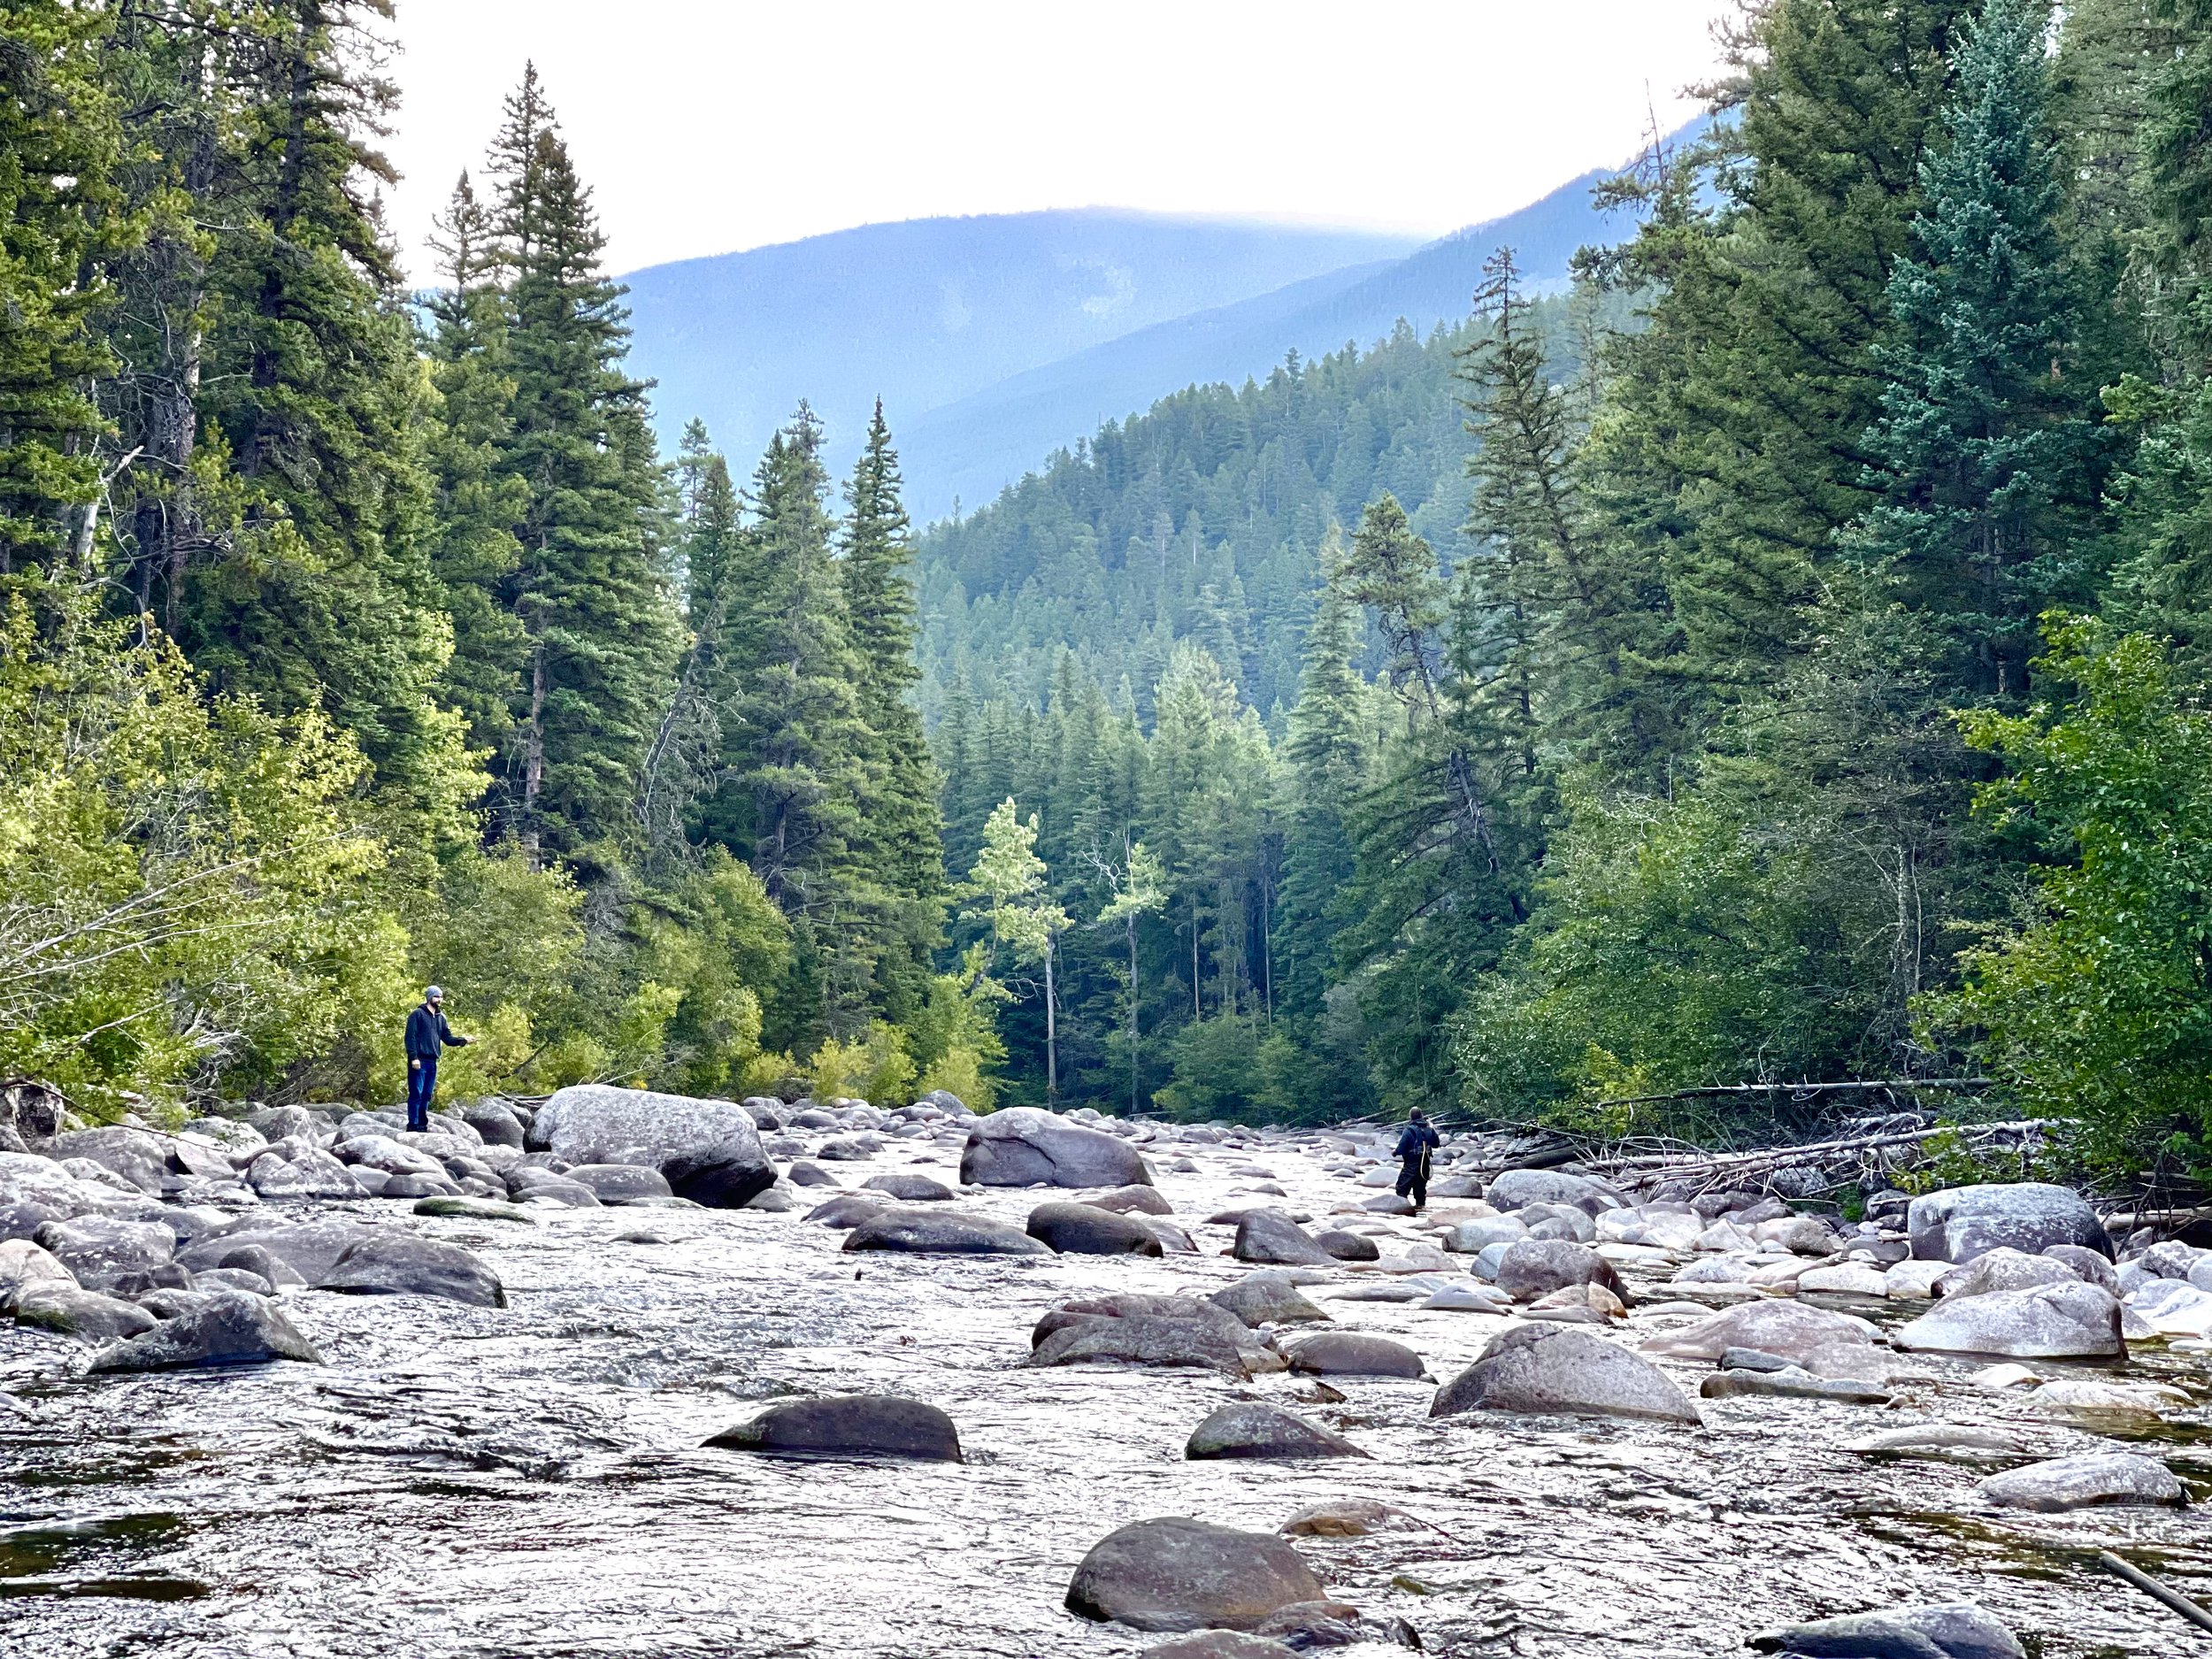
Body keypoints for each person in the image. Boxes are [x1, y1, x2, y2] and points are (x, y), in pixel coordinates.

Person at [403, 986, 471, 1133]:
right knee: (417, 1093)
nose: (439, 999)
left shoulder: (441, 1018)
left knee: (427, 1095)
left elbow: (447, 1038)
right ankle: (413, 1125)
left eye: (441, 997)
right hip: (418, 1061)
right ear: (429, 997)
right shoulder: (417, 1015)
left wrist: (462, 1040)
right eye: (436, 996)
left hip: (432, 1062)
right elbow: (410, 1037)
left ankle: (422, 1124)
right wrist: (413, 1057)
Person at [1394, 1107, 1440, 1212]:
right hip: (1424, 1165)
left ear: (1410, 1117)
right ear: (1421, 1116)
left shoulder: (1409, 1130)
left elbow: (1401, 1148)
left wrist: (1395, 1152)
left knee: (1401, 1189)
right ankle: (1420, 1211)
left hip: (1411, 1165)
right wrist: (1431, 1128)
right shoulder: (1429, 1130)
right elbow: (1436, 1144)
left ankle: (1403, 1212)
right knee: (1420, 1192)